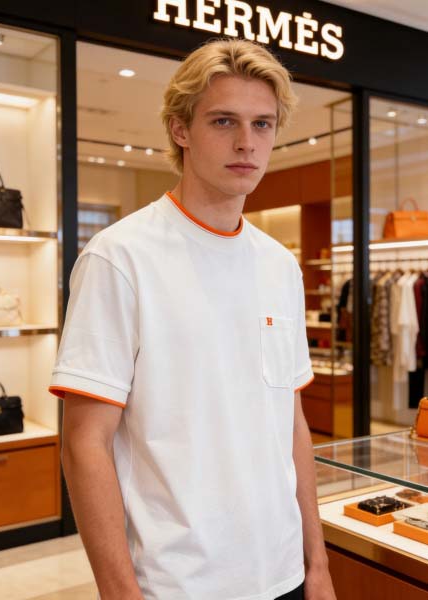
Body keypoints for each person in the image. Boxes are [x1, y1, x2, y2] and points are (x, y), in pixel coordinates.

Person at [49, 38, 337, 600]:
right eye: (224, 121)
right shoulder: (120, 258)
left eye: (262, 124)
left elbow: (292, 424)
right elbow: (84, 443)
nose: (246, 142)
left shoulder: (280, 266)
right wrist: (120, 593)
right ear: (180, 129)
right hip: (177, 583)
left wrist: (318, 564)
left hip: (285, 575)